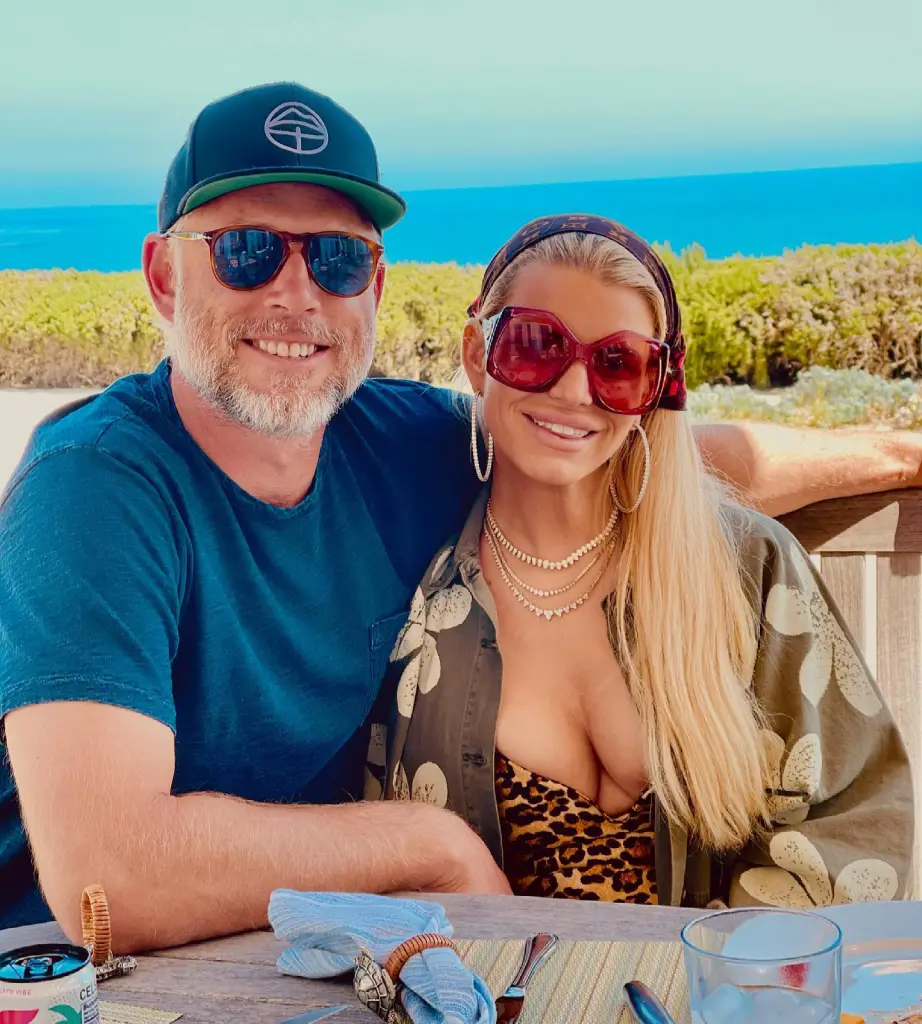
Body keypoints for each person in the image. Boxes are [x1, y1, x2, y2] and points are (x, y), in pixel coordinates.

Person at [0, 83, 919, 949]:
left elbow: (605, 442)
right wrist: (427, 848)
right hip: (85, 975)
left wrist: (894, 451)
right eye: (245, 249)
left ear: (375, 286)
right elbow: (105, 882)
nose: (296, 293)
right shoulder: (94, 488)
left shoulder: (397, 441)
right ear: (163, 277)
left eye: (336, 256)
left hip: (306, 947)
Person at [370, 215, 914, 909]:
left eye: (618, 363)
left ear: (658, 387)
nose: (573, 391)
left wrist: (722, 983)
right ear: (477, 354)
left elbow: (858, 818)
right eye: (536, 345)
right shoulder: (421, 599)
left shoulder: (746, 572)